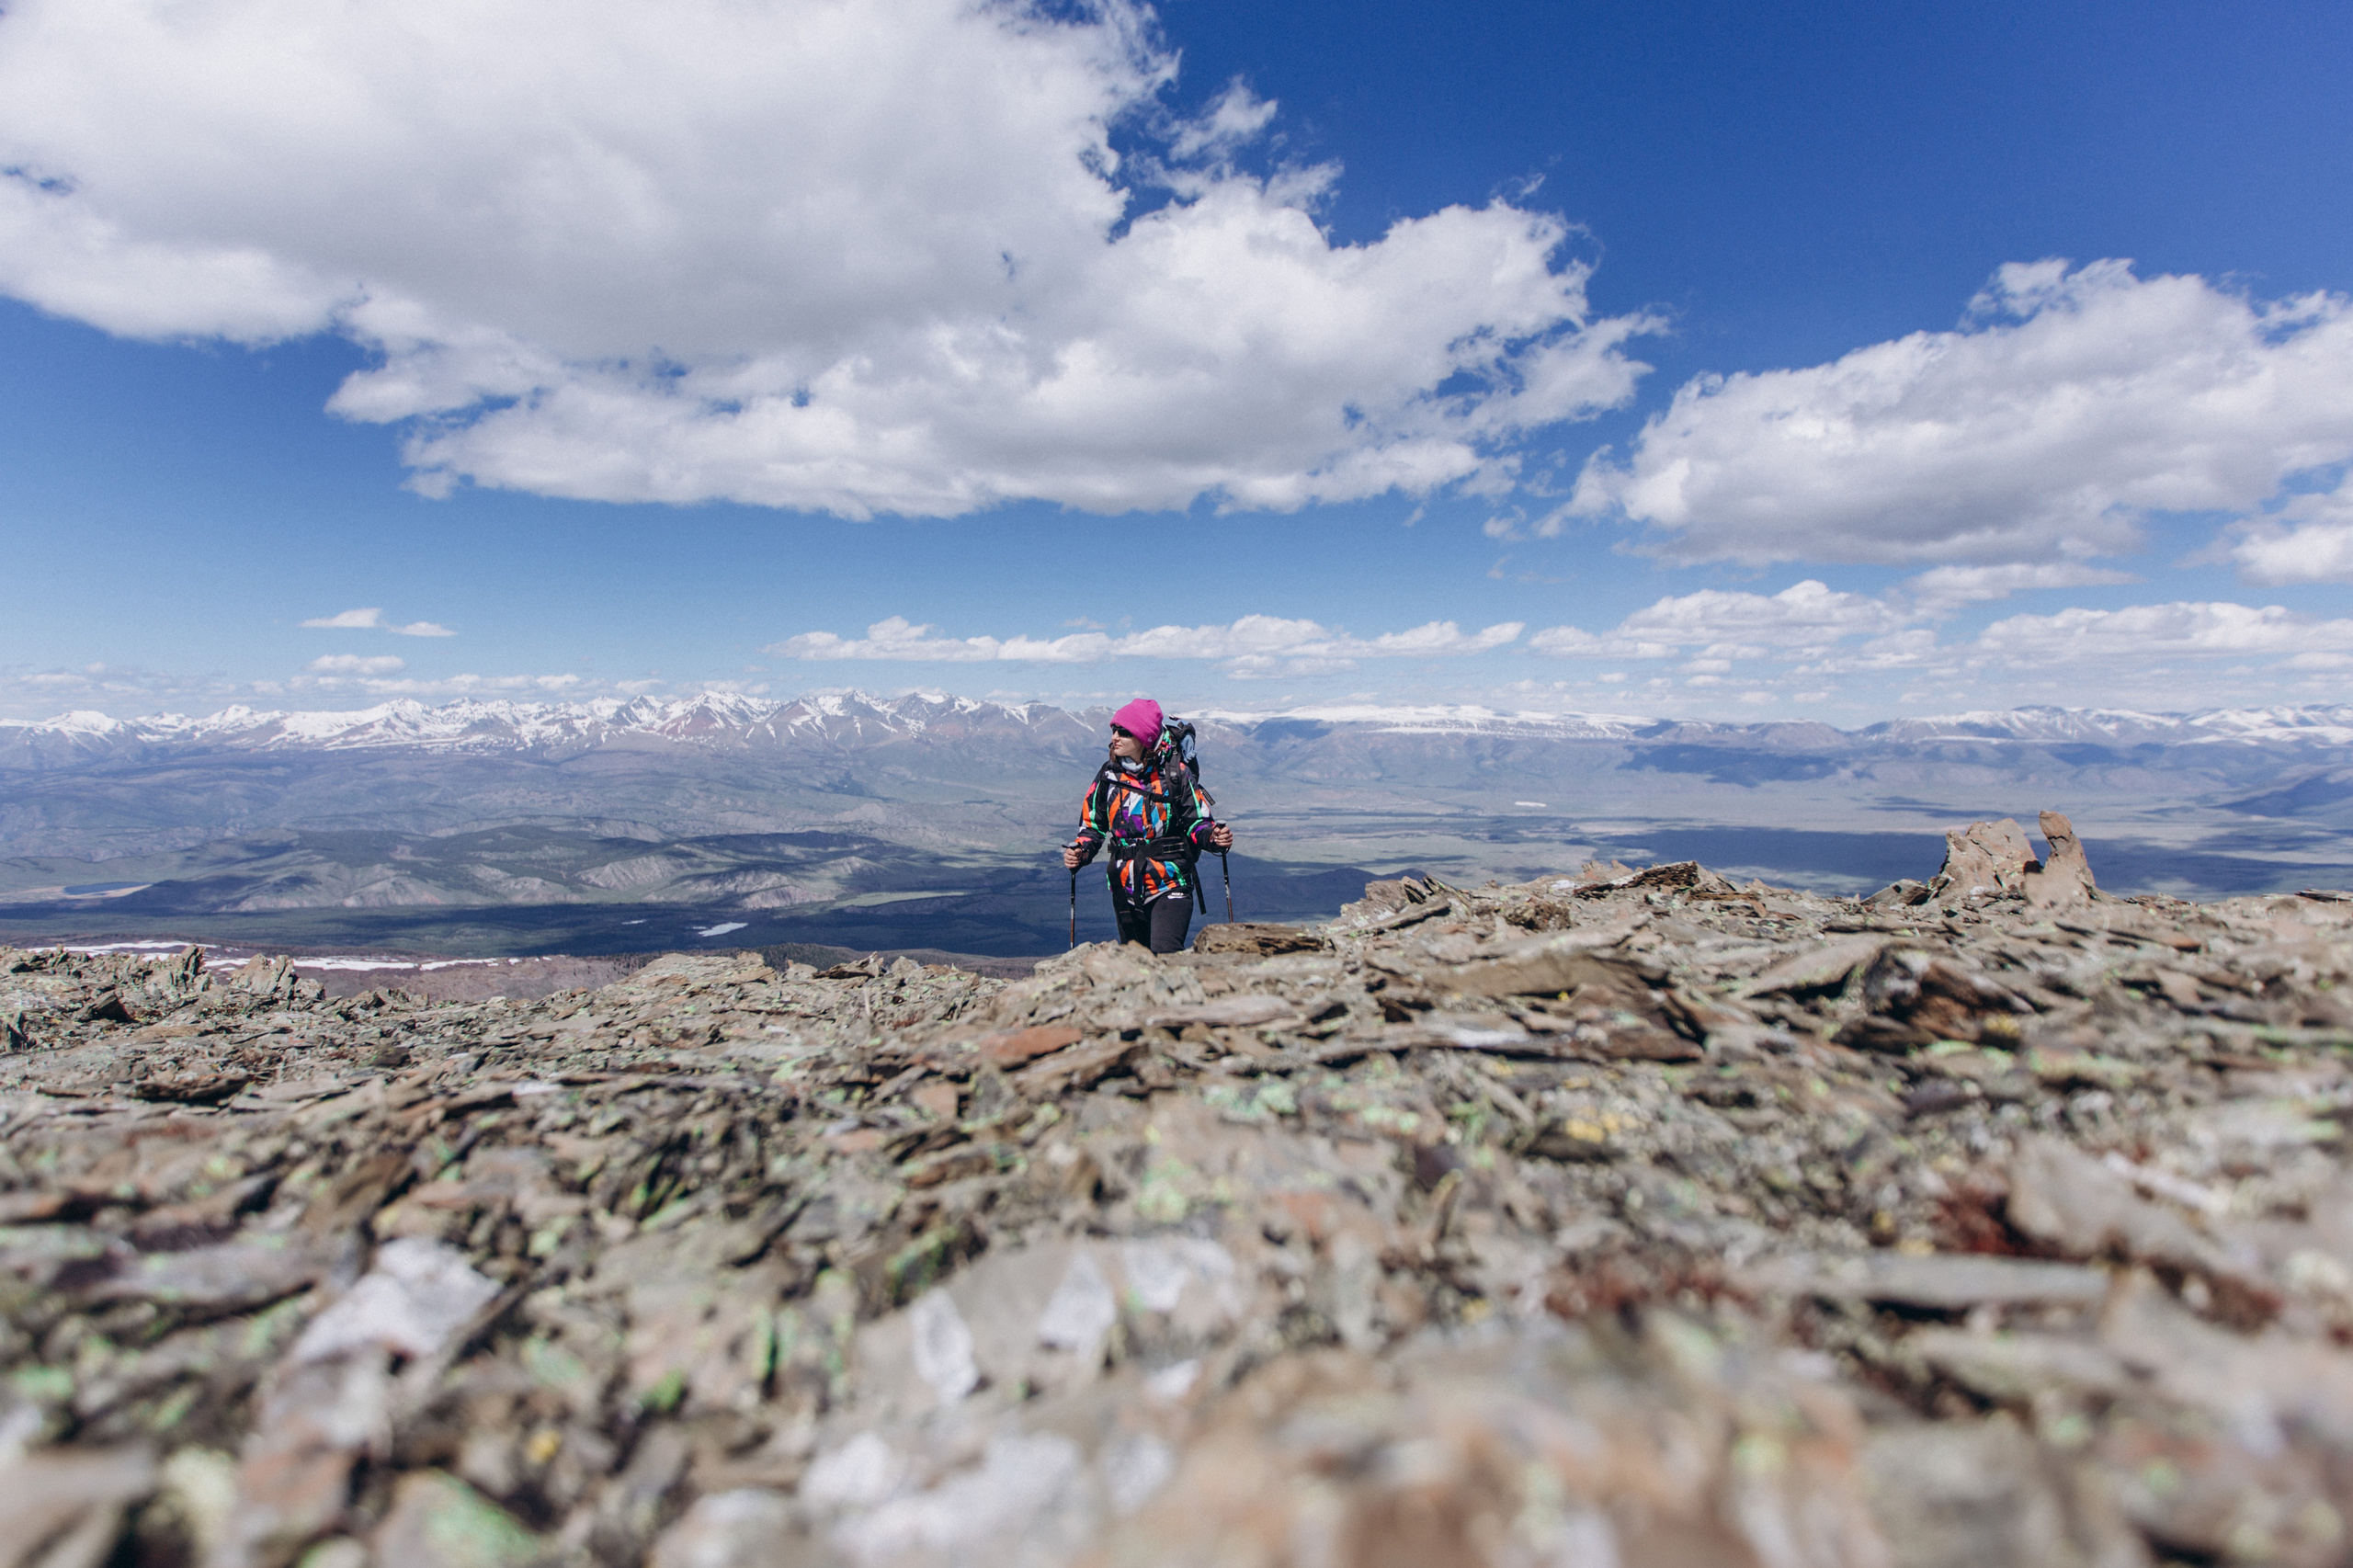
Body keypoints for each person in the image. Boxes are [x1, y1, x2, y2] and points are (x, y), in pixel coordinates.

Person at [1061, 698, 1234, 954]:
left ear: (1144, 737)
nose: (1115, 737)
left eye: (1124, 732)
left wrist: (1213, 838)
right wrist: (1081, 851)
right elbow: (1092, 826)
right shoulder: (1108, 776)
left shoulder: (1175, 775)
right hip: (1124, 888)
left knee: (1166, 955)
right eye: (1114, 730)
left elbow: (1197, 821)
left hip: (1170, 881)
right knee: (1137, 964)